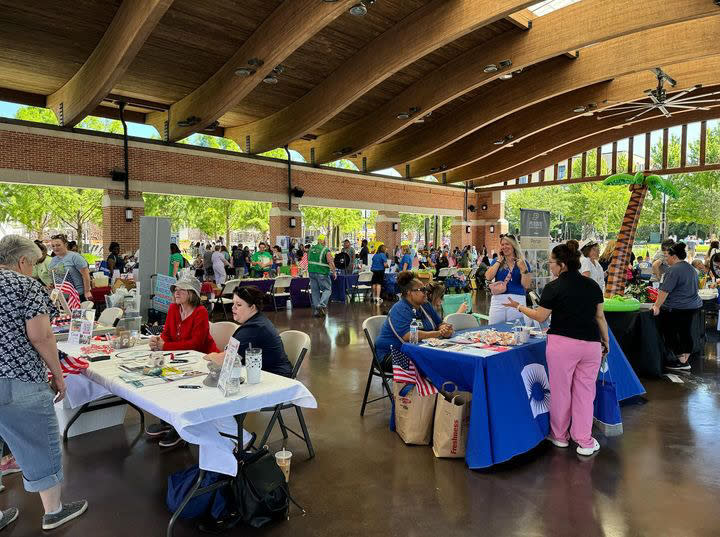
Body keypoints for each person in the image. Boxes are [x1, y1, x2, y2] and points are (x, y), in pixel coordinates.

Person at [0, 235, 88, 531]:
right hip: (18, 377)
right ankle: (54, 510)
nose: (35, 271)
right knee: (39, 442)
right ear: (23, 261)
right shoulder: (24, 286)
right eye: (34, 264)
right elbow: (41, 336)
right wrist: (59, 375)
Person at [503, 243, 609, 457]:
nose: (549, 266)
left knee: (561, 392)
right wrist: (606, 342)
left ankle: (559, 436)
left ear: (562, 264)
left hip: (562, 345)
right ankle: (584, 440)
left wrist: (519, 307)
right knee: (585, 394)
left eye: (551, 262)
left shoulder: (554, 287)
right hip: (591, 345)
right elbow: (599, 317)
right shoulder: (592, 286)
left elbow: (541, 317)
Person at [147, 276, 220, 447]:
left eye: (182, 289)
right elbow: (167, 334)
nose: (176, 292)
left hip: (203, 360)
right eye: (175, 289)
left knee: (177, 385)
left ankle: (180, 427)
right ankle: (169, 421)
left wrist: (165, 347)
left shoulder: (200, 312)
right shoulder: (173, 308)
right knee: (162, 379)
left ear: (192, 294)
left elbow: (196, 344)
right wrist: (158, 341)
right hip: (181, 359)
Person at [203, 286, 293, 377]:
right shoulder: (257, 321)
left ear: (252, 307)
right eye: (233, 303)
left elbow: (226, 360)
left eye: (238, 305)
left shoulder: (254, 328)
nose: (233, 308)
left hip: (277, 379)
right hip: (265, 375)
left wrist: (211, 356)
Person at [374, 272, 454, 366]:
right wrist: (439, 333)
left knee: (448, 360)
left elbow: (439, 324)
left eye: (426, 289)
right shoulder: (400, 309)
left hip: (419, 350)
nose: (426, 293)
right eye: (422, 290)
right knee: (437, 363)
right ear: (409, 292)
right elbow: (410, 335)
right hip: (392, 354)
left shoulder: (425, 305)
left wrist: (445, 329)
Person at [652, 242, 703, 371]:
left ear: (674, 257)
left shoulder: (673, 270)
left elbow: (664, 291)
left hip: (677, 308)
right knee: (685, 331)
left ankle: (681, 361)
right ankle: (685, 359)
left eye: (667, 256)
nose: (665, 259)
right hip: (692, 306)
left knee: (671, 333)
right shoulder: (691, 269)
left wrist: (657, 306)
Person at [483, 234, 532, 324]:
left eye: (507, 244)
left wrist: (523, 269)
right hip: (498, 300)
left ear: (514, 246)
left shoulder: (523, 263)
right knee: (494, 329)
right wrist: (498, 261)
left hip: (517, 299)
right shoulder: (497, 261)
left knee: (515, 329)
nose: (504, 247)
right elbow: (488, 277)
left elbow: (526, 285)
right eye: (502, 244)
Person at [48, 234, 92, 301]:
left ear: (65, 245)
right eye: (53, 246)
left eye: (58, 245)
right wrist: (52, 284)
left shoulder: (75, 257)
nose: (55, 248)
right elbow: (55, 277)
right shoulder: (53, 260)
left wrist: (87, 291)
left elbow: (85, 275)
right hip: (62, 297)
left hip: (78, 295)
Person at [307, 235, 337, 317]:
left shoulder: (311, 249)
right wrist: (334, 271)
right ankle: (322, 305)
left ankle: (317, 311)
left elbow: (308, 260)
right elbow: (330, 262)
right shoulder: (325, 249)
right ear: (323, 241)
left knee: (315, 291)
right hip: (322, 273)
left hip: (311, 272)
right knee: (327, 289)